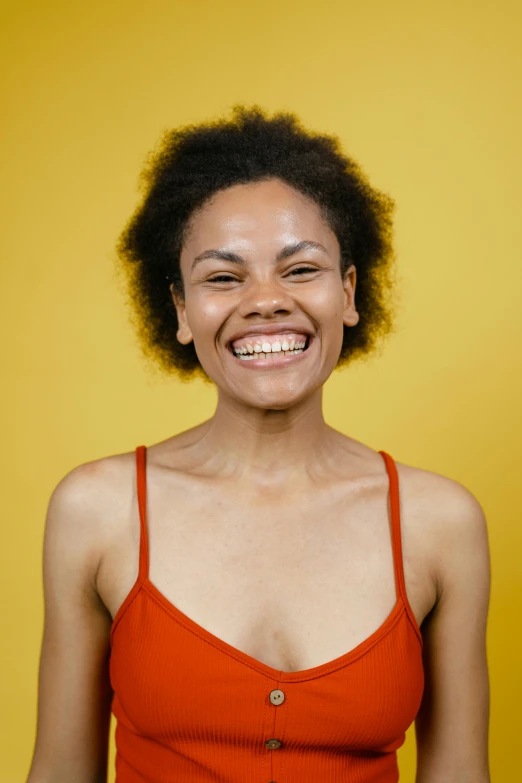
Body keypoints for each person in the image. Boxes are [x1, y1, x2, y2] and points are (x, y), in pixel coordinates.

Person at [27, 105, 491, 783]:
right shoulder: (97, 510)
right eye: (223, 276)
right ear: (182, 310)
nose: (266, 300)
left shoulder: (441, 524)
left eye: (301, 270)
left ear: (349, 291)